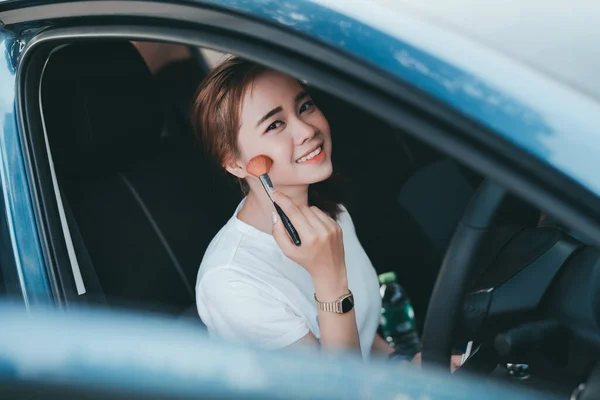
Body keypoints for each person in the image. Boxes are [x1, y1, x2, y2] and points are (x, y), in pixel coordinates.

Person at [192, 56, 461, 368]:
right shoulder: (230, 282)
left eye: (305, 106)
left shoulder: (329, 213)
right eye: (275, 124)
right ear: (235, 163)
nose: (306, 129)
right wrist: (329, 278)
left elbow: (360, 335)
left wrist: (406, 365)